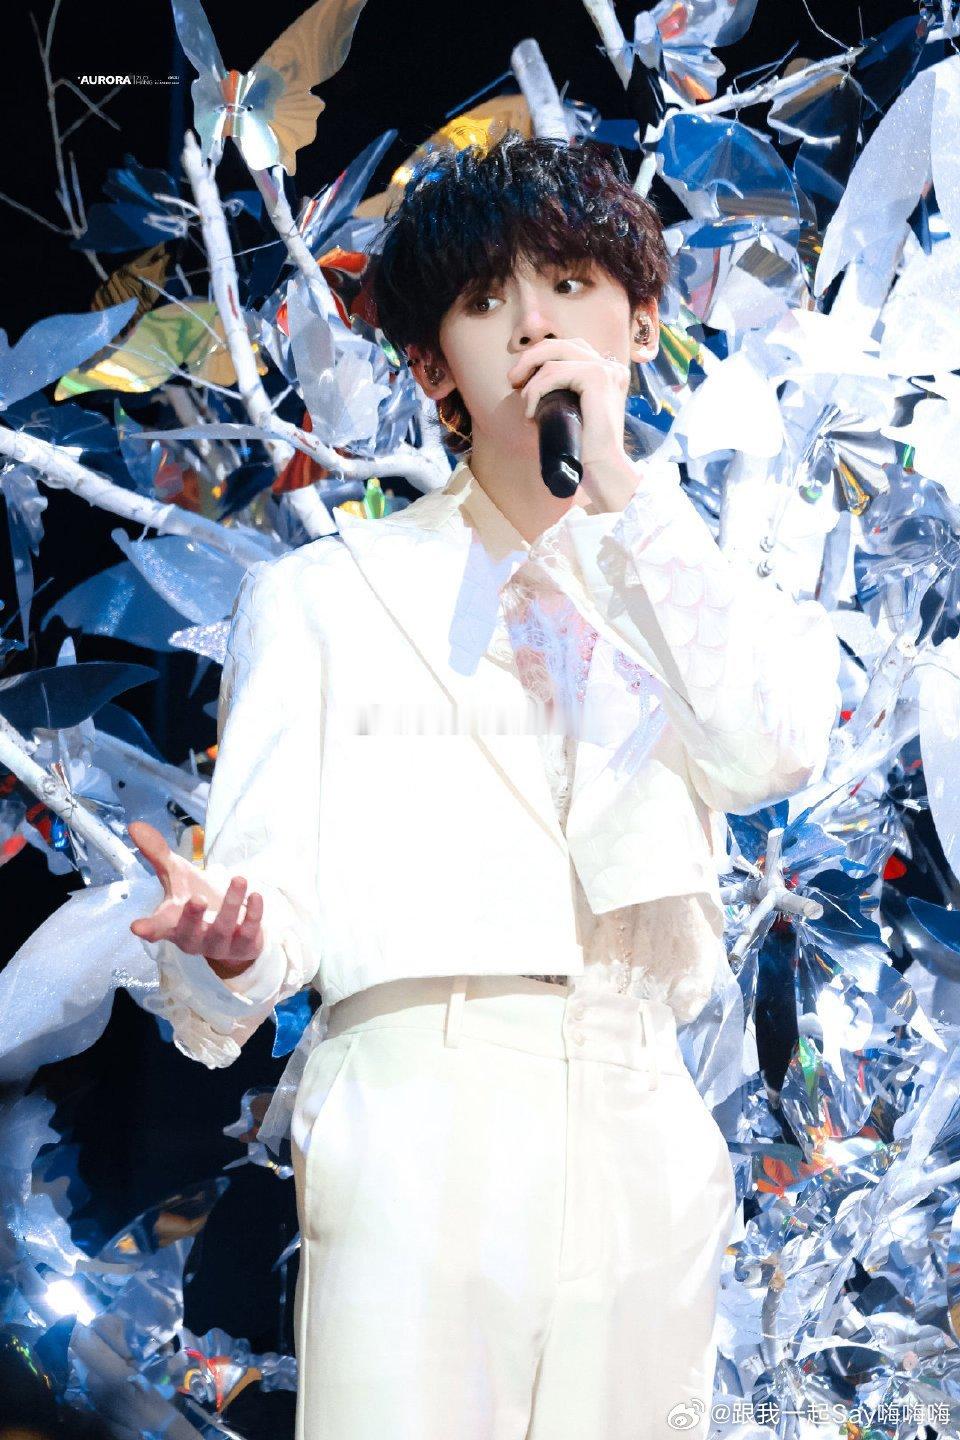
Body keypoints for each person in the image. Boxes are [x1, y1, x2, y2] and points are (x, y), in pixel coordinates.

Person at [128, 132, 842, 1440]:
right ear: (430, 365)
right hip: (421, 1104)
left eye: (568, 283)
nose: (530, 327)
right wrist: (231, 942)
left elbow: (773, 749)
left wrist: (623, 493)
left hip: (641, 1110)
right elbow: (266, 908)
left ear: (640, 320)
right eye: (481, 299)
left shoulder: (690, 577)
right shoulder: (325, 596)